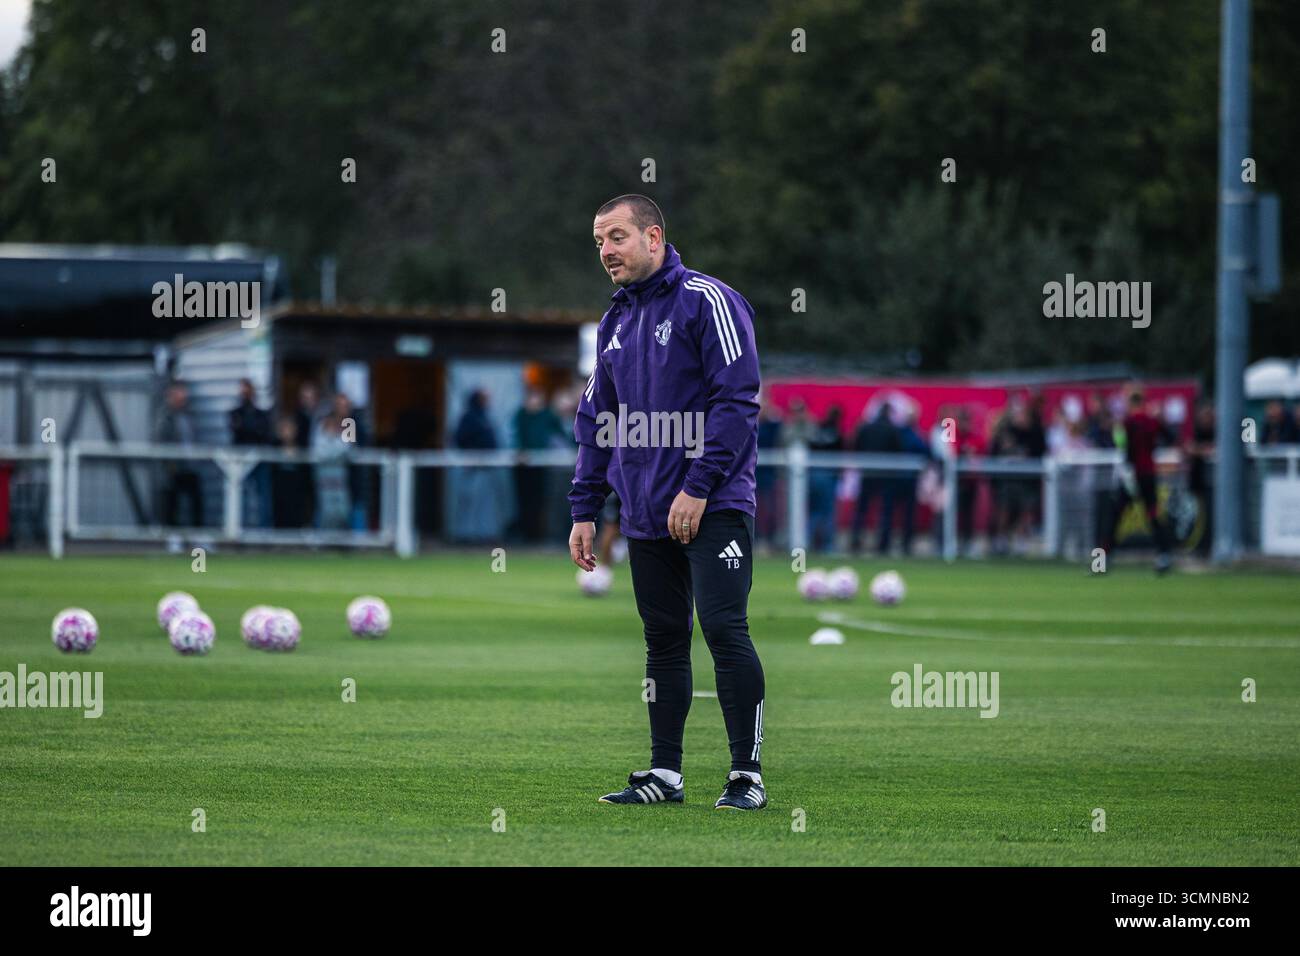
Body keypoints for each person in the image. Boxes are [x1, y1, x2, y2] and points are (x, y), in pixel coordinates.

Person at [569, 194, 767, 811]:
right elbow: (597, 419)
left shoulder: (708, 302)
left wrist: (699, 485)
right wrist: (585, 506)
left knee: (724, 630)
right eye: (600, 240)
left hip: (715, 503)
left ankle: (746, 777)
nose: (607, 251)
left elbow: (738, 402)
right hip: (646, 511)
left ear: (654, 238)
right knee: (663, 640)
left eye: (618, 237)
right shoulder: (615, 322)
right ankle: (666, 775)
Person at [1106, 386, 1174, 573]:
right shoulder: (1152, 422)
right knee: (1152, 515)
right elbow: (1170, 437)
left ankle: (1101, 560)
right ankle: (1164, 557)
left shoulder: (1126, 423)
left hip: (1130, 475)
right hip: (1148, 474)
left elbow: (1123, 448)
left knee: (1115, 516)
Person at [512, 389, 565, 542]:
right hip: (524, 467)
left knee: (543, 501)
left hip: (543, 466)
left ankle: (541, 534)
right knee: (525, 502)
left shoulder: (547, 416)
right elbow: (517, 436)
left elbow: (559, 434)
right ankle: (526, 534)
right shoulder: (521, 415)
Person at [849, 403, 901, 554]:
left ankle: (856, 540)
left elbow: (856, 446)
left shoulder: (866, 428)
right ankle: (883, 545)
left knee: (862, 510)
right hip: (886, 476)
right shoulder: (893, 430)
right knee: (885, 511)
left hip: (867, 474)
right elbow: (899, 451)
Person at [155, 381, 203, 529]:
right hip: (174, 467)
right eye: (179, 393)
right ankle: (172, 537)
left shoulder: (190, 415)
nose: (183, 397)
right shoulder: (165, 416)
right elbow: (160, 439)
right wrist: (169, 464)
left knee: (196, 501)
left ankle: (198, 535)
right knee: (172, 503)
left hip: (191, 465)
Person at [229, 378, 273, 528]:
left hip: (259, 458)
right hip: (241, 460)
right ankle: (239, 528)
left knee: (263, 497)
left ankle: (263, 530)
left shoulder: (261, 414)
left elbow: (264, 433)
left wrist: (249, 428)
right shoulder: (235, 413)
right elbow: (237, 432)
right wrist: (252, 429)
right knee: (241, 495)